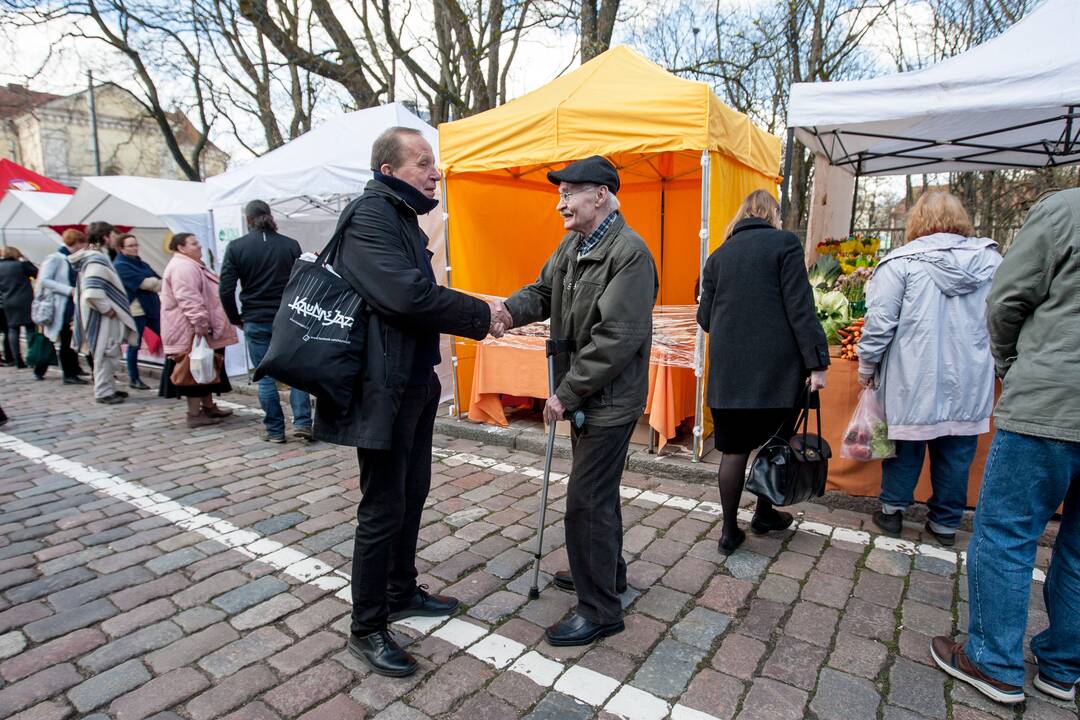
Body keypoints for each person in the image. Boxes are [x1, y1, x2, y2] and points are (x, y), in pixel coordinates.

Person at [315, 126, 497, 677]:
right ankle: (367, 626)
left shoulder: (400, 217)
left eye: (433, 164)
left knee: (411, 493)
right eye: (423, 163)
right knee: (382, 507)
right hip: (382, 388)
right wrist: (482, 314)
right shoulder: (370, 216)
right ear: (388, 171)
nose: (434, 172)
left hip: (412, 383)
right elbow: (406, 296)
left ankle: (400, 589)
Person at [494, 155, 658, 647]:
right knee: (599, 494)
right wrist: (506, 310)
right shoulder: (574, 244)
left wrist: (565, 394)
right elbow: (543, 291)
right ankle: (609, 574)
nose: (560, 202)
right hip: (590, 394)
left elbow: (616, 337)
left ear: (601, 195)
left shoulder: (629, 253)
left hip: (608, 399)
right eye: (559, 192)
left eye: (570, 192)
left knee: (585, 502)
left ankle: (600, 608)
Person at [930, 188, 1080, 705]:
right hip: (1050, 393)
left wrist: (1011, 364)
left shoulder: (1065, 210)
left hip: (1053, 398)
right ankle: (1062, 667)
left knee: (1007, 533)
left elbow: (1007, 301)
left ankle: (994, 661)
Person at [858, 191, 1001, 546]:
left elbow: (879, 323)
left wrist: (867, 365)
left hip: (913, 374)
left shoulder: (900, 263)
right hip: (969, 377)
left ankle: (892, 511)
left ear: (916, 221)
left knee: (905, 443)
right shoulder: (993, 264)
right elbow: (1005, 320)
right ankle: (945, 524)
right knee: (957, 452)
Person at [697, 190, 829, 556]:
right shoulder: (784, 244)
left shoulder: (718, 256)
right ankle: (763, 514)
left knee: (733, 451)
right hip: (776, 372)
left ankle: (728, 532)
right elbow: (801, 307)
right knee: (776, 444)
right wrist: (817, 362)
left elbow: (704, 319)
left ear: (741, 215)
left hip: (729, 375)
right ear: (772, 215)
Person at [219, 200, 311, 443]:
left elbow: (225, 290)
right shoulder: (289, 245)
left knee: (266, 376)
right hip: (288, 317)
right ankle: (303, 422)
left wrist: (235, 318)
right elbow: (304, 281)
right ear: (270, 217)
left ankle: (275, 429)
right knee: (297, 373)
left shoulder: (237, 247)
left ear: (247, 220)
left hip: (255, 318)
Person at [159, 233, 237, 428]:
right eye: (194, 244)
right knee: (193, 371)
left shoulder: (191, 264)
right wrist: (200, 324)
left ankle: (209, 407)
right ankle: (194, 414)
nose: (199, 246)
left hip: (197, 327)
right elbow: (188, 298)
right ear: (180, 247)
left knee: (206, 366)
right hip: (190, 330)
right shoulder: (183, 267)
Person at [68, 233, 139, 404]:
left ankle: (109, 388)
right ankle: (103, 391)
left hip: (99, 315)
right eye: (113, 235)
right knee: (105, 352)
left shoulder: (95, 257)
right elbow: (92, 292)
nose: (116, 238)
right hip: (101, 317)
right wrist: (108, 310)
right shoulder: (96, 259)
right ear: (106, 237)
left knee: (107, 351)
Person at [35, 229, 90, 384]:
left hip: (71, 304)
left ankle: (72, 370)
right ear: (76, 243)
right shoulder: (56, 258)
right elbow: (44, 280)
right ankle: (67, 374)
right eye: (81, 243)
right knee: (63, 339)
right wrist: (68, 290)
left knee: (69, 338)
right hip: (60, 306)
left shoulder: (73, 259)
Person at [113, 233, 162, 390]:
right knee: (135, 344)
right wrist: (152, 282)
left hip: (151, 307)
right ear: (121, 248)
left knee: (168, 337)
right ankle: (134, 378)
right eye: (131, 246)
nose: (135, 248)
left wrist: (153, 282)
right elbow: (145, 283)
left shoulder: (141, 263)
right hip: (136, 310)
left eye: (136, 245)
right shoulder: (120, 265)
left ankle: (174, 372)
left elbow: (158, 279)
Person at [0, 246, 39, 370]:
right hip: (24, 300)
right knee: (30, 328)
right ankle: (32, 358)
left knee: (13, 329)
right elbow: (37, 273)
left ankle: (17, 360)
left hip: (7, 301)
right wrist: (25, 260)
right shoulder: (21, 265)